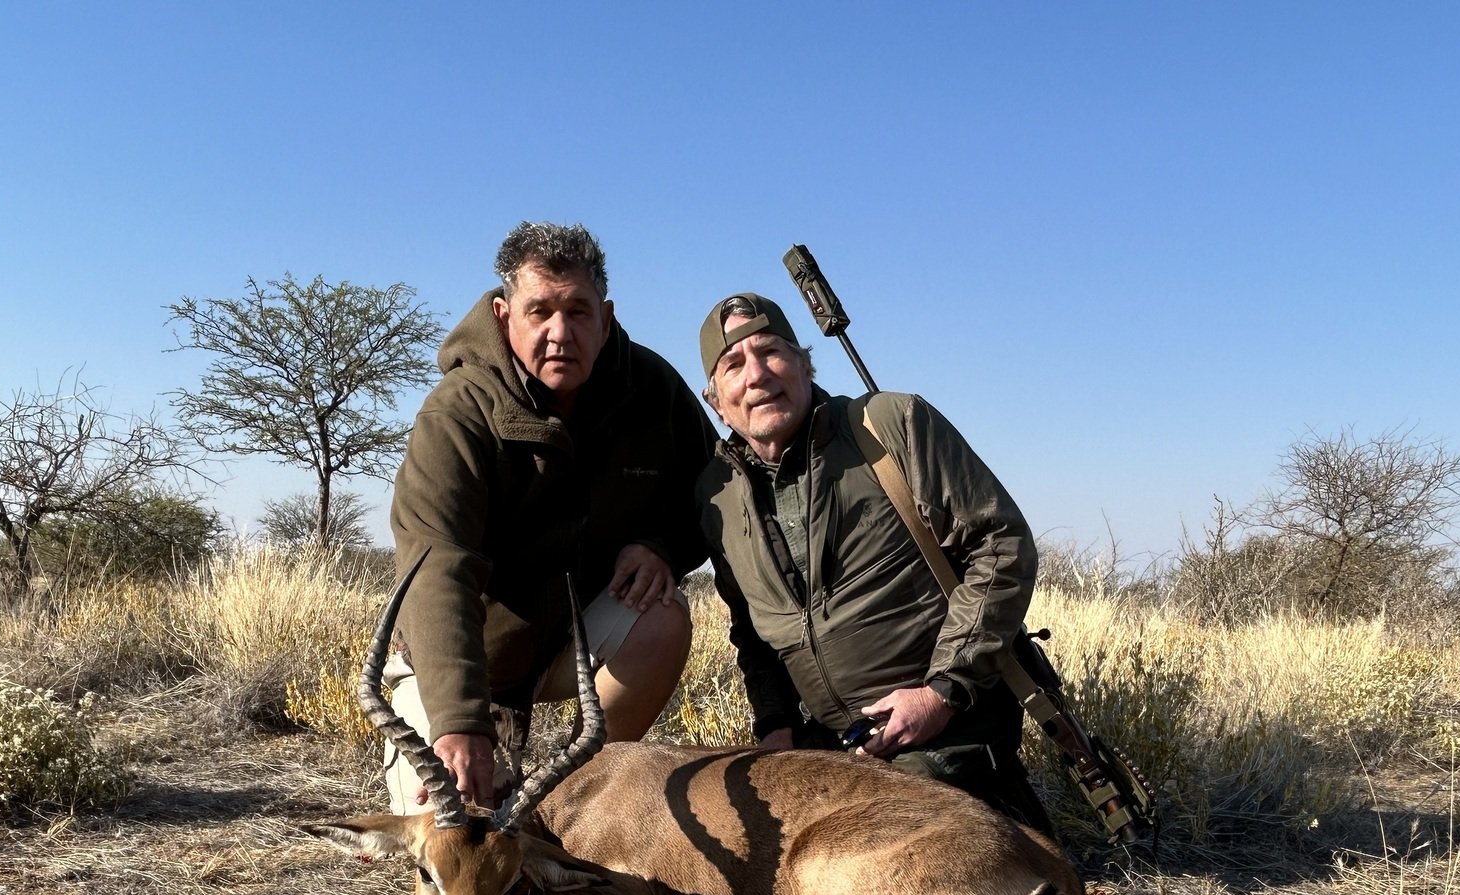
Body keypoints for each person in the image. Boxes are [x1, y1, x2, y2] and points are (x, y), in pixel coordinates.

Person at [384, 222, 715, 812]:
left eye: (579, 312)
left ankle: (571, 799)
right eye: (540, 311)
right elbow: (438, 569)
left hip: (575, 645)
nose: (560, 333)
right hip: (470, 657)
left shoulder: (654, 387)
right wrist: (460, 723)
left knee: (663, 616)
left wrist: (662, 545)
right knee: (452, 832)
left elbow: (717, 491)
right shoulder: (456, 412)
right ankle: (467, 759)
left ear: (606, 317)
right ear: (503, 312)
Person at [694, 291, 1050, 827]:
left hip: (944, 730)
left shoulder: (890, 422)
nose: (757, 375)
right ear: (714, 399)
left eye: (770, 351)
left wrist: (942, 693)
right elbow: (752, 629)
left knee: (884, 850)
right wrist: (774, 726)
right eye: (733, 365)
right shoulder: (715, 495)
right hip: (828, 745)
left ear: (804, 363)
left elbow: (1001, 545)